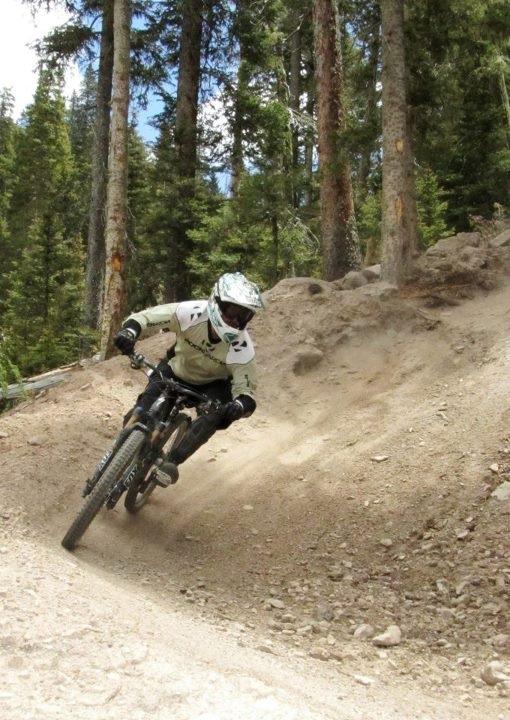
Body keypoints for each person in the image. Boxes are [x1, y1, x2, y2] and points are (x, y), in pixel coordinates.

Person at [114, 272, 265, 486]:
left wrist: (239, 405)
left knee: (217, 415)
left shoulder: (242, 348)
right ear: (216, 301)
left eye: (244, 315)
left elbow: (247, 392)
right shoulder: (191, 313)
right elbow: (147, 318)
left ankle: (170, 463)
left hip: (212, 387)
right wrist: (129, 332)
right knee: (140, 411)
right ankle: (129, 450)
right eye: (232, 311)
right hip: (176, 368)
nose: (236, 320)